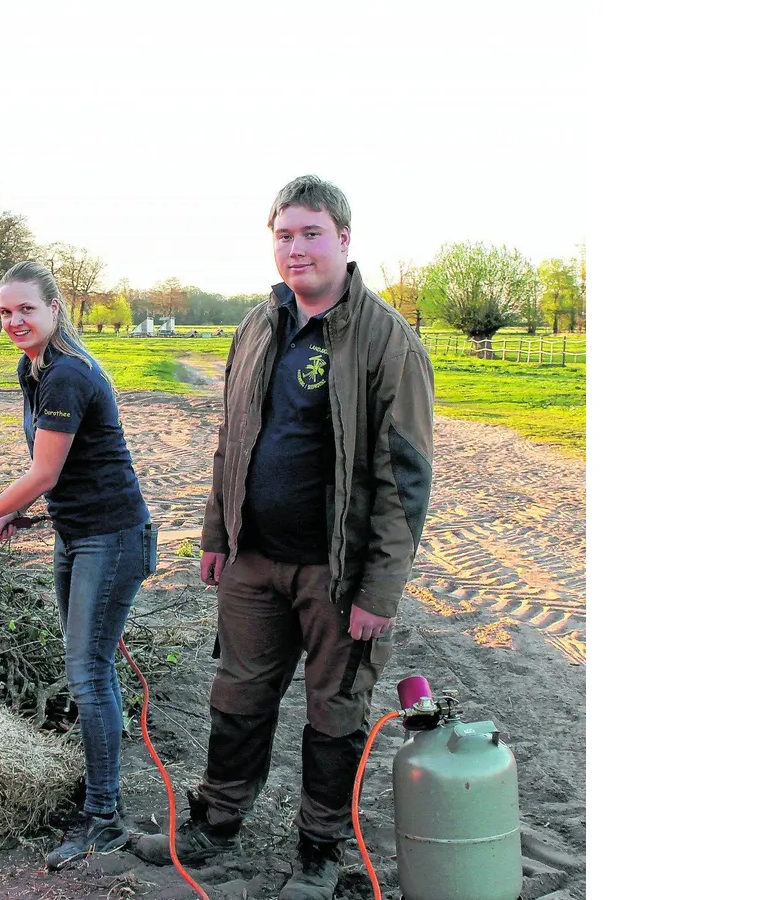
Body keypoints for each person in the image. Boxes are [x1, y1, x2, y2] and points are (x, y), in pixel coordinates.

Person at [132, 176, 434, 900]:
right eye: (284, 235)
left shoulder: (387, 340)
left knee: (336, 712)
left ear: (344, 239)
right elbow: (231, 441)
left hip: (337, 573)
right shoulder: (258, 326)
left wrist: (378, 591)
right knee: (236, 696)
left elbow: (404, 480)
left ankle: (319, 850)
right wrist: (216, 532)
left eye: (311, 233)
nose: (296, 248)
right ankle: (216, 823)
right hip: (253, 561)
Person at [0, 260, 153, 872]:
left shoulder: (67, 375)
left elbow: (45, 471)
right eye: (5, 311)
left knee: (87, 673)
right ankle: (103, 797)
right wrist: (19, 513)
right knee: (91, 670)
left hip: (111, 538)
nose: (14, 321)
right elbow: (59, 471)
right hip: (76, 533)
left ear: (55, 309)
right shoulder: (33, 370)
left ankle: (104, 819)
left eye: (26, 308)